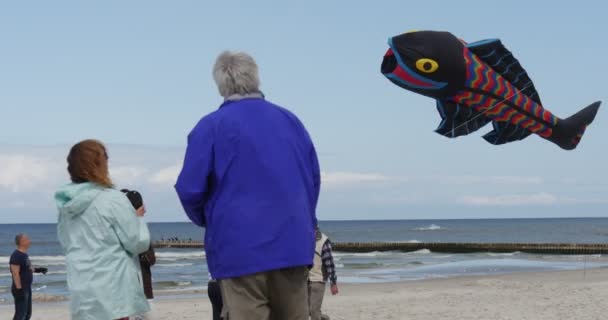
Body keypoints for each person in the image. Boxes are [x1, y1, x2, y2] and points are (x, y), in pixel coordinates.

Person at [175, 51, 321, 320]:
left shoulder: (211, 126)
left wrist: (210, 219)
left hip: (239, 247)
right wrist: (306, 221)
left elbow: (189, 189)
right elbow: (312, 181)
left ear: (220, 83)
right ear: (256, 78)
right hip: (292, 242)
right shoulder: (291, 122)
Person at [55, 139, 151, 320]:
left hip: (81, 289)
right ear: (99, 164)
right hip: (113, 291)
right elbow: (137, 242)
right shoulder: (113, 199)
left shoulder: (66, 205)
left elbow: (66, 243)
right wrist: (138, 219)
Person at [121, 189, 157, 320]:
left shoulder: (142, 231)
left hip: (145, 293)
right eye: (142, 207)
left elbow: (151, 259)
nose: (145, 210)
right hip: (128, 296)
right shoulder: (120, 231)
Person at [9, 233, 48, 320]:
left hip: (26, 288)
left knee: (27, 314)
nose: (30, 241)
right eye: (27, 239)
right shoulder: (16, 255)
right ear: (22, 242)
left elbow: (28, 268)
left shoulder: (24, 255)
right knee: (20, 315)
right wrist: (19, 289)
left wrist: (39, 270)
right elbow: (15, 273)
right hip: (20, 289)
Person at [308, 228, 339, 320]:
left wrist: (333, 283)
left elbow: (329, 264)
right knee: (306, 310)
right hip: (304, 280)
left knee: (314, 310)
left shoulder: (324, 242)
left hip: (318, 280)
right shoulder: (304, 239)